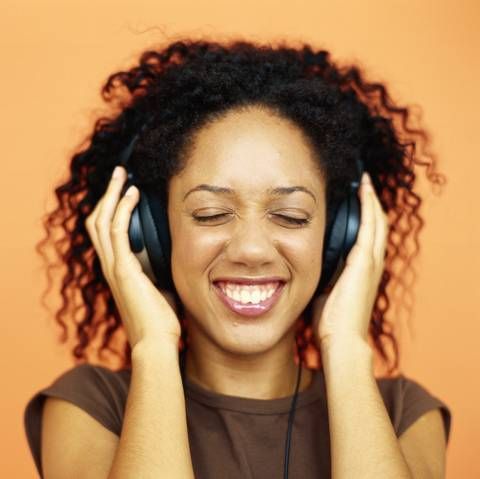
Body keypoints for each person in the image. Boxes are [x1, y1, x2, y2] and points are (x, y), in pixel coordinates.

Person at [24, 38, 452, 478]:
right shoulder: (91, 407)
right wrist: (152, 348)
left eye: (290, 216)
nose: (251, 250)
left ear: (342, 233)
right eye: (211, 214)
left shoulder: (404, 415)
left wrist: (345, 347)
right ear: (150, 230)